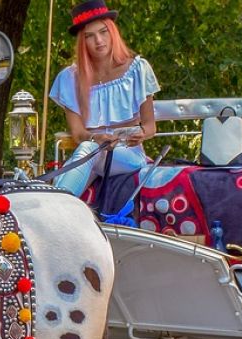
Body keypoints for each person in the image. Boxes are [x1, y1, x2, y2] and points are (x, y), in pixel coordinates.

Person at [48, 0, 160, 195]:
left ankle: (54, 201)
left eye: (103, 32)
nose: (99, 41)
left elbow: (151, 127)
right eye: (90, 36)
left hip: (129, 154)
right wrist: (95, 138)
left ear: (113, 32)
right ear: (83, 42)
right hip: (92, 151)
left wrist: (141, 133)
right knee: (89, 150)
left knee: (88, 153)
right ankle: (57, 203)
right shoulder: (70, 78)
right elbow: (78, 133)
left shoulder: (137, 69)